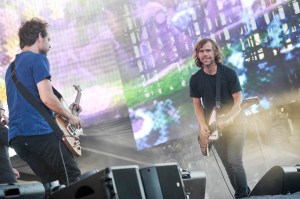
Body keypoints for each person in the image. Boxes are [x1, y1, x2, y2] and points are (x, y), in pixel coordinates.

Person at [5, 18, 82, 190]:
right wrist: (70, 116)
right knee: (72, 177)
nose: (50, 44)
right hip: (39, 132)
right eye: (49, 39)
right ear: (40, 36)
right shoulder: (38, 59)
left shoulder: (9, 69)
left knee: (52, 185)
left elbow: (29, 104)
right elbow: (47, 98)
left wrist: (59, 110)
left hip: (18, 139)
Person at [189, 38, 250, 198]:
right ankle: (245, 193)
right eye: (201, 51)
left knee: (235, 160)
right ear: (197, 55)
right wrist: (202, 124)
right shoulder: (195, 79)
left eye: (208, 50)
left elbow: (238, 100)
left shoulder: (228, 73)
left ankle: (241, 196)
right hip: (215, 127)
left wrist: (230, 117)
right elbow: (197, 105)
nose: (205, 54)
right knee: (228, 166)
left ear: (215, 52)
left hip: (236, 124)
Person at [0, 101, 19, 184]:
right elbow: (19, 142)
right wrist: (11, 125)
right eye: (2, 108)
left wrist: (10, 168)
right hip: (4, 179)